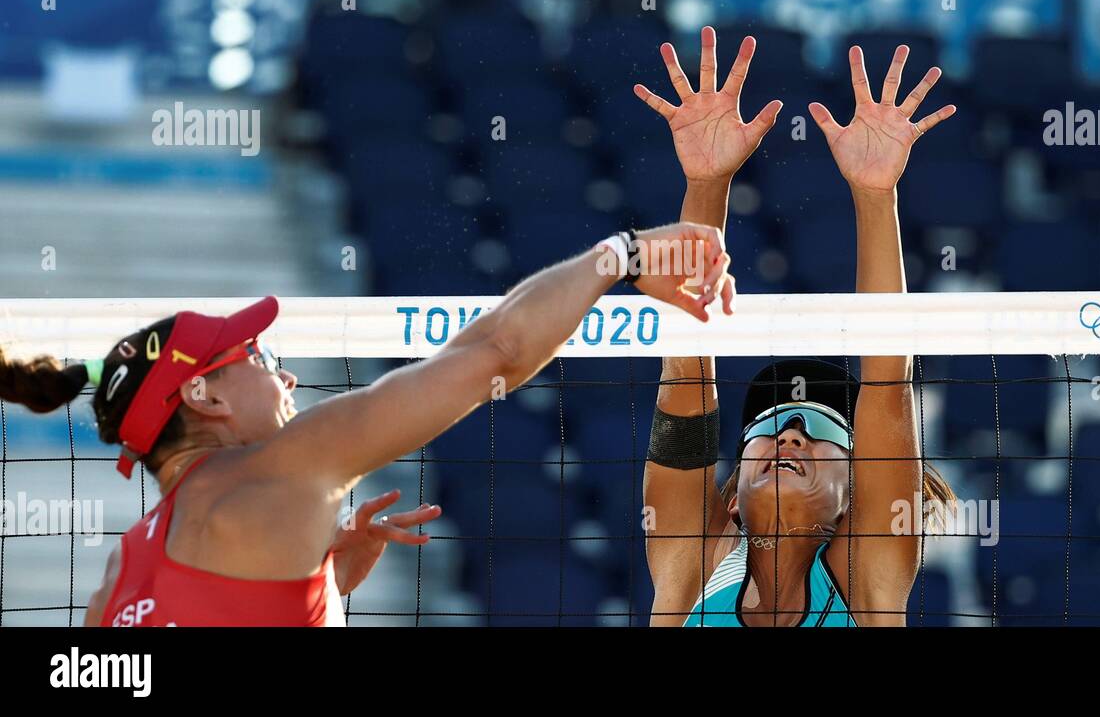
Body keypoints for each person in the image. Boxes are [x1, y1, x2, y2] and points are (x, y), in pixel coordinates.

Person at [0, 223, 735, 626]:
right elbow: (496, 353)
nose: (285, 376)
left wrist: (320, 584)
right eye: (260, 356)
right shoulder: (284, 468)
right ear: (204, 395)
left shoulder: (121, 570)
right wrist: (621, 256)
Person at [635, 27, 958, 626]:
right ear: (732, 500)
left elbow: (888, 375)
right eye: (768, 430)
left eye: (819, 431)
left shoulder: (866, 583)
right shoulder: (692, 568)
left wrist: (875, 194)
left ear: (851, 502)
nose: (789, 436)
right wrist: (706, 182)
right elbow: (686, 367)